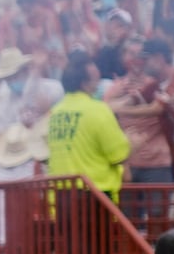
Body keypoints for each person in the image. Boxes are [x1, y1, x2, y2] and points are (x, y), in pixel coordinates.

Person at [42, 53, 129, 198]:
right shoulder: (98, 110)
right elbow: (118, 155)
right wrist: (133, 145)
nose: (98, 81)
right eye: (95, 78)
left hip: (61, 197)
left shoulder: (54, 113)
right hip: (95, 197)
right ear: (84, 83)